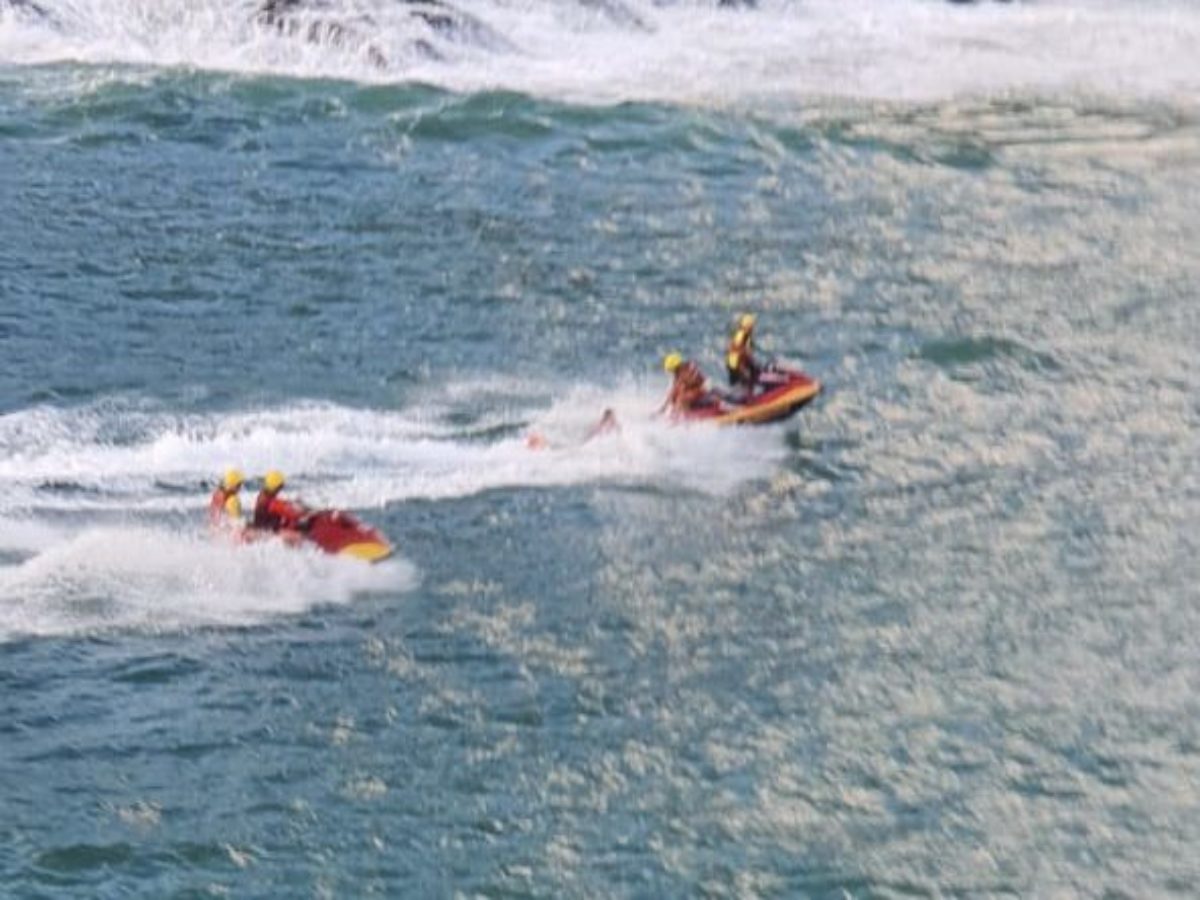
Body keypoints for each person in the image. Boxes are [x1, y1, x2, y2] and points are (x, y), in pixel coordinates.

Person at [726, 312, 762, 392]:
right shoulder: (742, 335)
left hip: (733, 366)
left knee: (742, 384)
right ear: (748, 326)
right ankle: (750, 400)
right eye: (752, 326)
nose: (753, 328)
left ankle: (747, 397)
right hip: (737, 366)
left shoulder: (740, 334)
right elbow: (739, 350)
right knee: (749, 379)